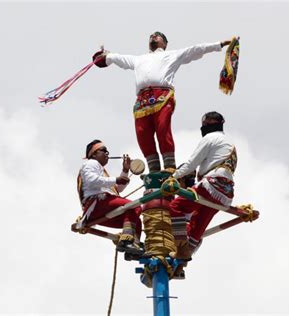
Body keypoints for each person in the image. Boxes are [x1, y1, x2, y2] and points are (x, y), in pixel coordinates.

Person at [93, 32, 232, 173]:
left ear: (165, 44)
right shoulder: (138, 59)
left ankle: (170, 167)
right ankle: (154, 170)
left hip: (162, 97)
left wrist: (219, 44)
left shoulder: (171, 55)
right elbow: (118, 58)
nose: (153, 37)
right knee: (142, 134)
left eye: (157, 36)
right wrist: (106, 56)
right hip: (142, 101)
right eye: (151, 36)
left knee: (162, 128)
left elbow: (196, 49)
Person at [169, 111, 237, 260]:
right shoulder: (228, 142)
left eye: (205, 124)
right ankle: (183, 259)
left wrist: (171, 177)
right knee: (197, 225)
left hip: (211, 185)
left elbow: (190, 165)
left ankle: (181, 249)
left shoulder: (210, 138)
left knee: (175, 206)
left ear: (208, 124)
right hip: (226, 193)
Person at [77, 139, 144, 255]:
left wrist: (125, 170)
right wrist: (116, 179)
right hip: (97, 203)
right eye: (104, 151)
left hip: (98, 209)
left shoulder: (100, 170)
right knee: (135, 207)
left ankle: (134, 246)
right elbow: (91, 180)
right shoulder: (91, 163)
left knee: (136, 220)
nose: (107, 154)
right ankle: (127, 242)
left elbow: (117, 189)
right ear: (94, 154)